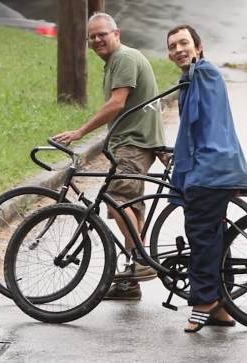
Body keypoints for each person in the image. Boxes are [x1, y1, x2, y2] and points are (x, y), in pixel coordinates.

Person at [53, 13, 165, 300]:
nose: (97, 40)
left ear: (117, 33)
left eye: (103, 34)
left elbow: (117, 103)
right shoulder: (117, 61)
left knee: (118, 201)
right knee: (130, 209)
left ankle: (140, 262)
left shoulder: (125, 58)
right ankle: (130, 283)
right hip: (131, 142)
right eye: (93, 37)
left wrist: (81, 131)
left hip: (133, 144)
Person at [166, 25, 247, 332]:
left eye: (184, 43)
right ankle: (222, 308)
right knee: (214, 235)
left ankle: (204, 301)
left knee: (201, 234)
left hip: (210, 167)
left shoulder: (203, 74)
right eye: (172, 46)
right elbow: (197, 126)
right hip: (212, 164)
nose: (178, 49)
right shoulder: (194, 76)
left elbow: (192, 124)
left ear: (198, 47)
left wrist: (181, 156)